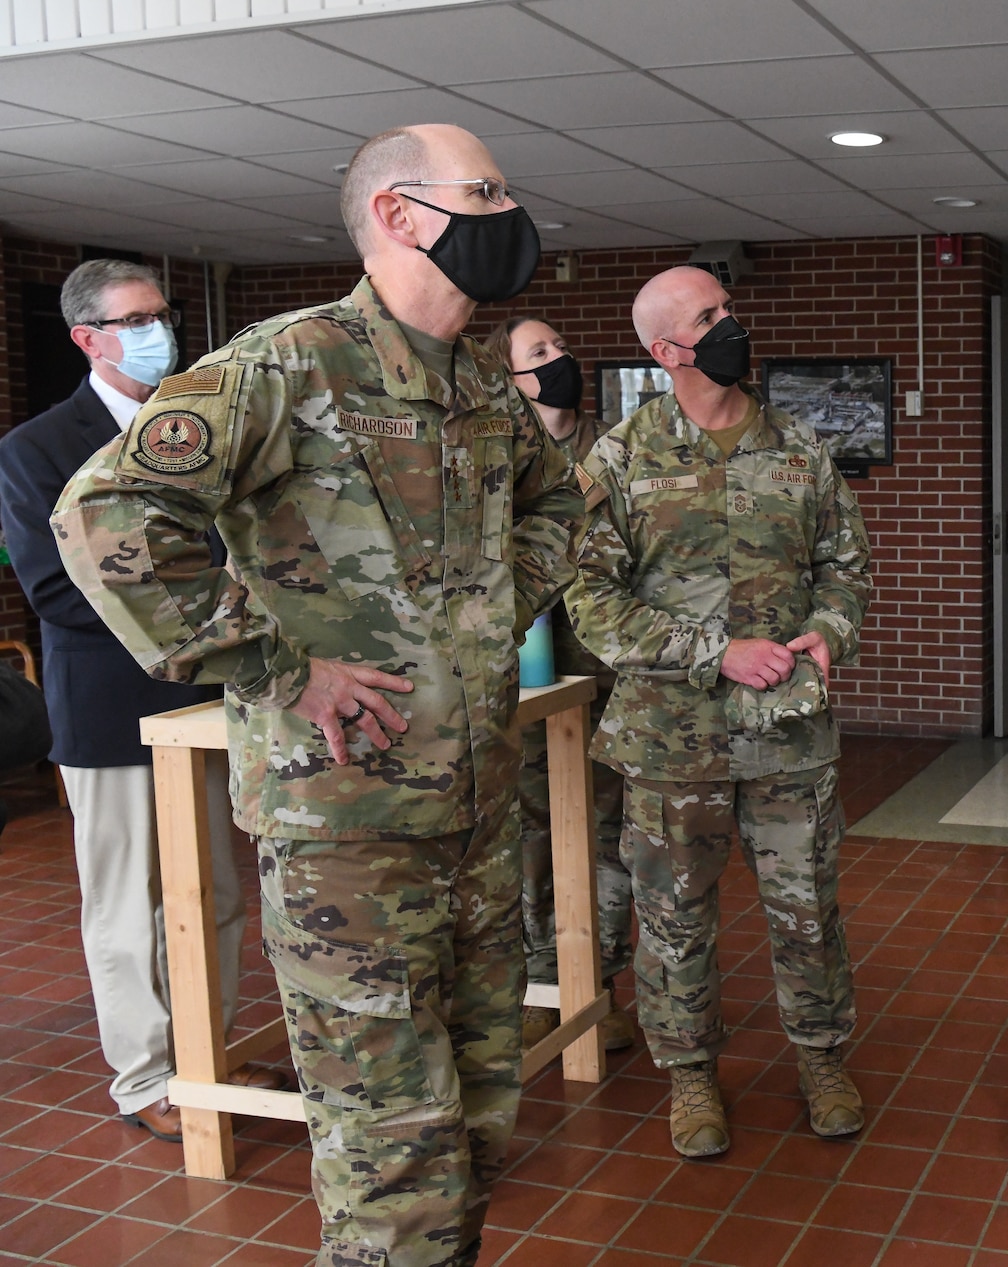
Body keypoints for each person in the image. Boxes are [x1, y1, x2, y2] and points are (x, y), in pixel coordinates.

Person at [54, 125, 584, 1267]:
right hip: (350, 828)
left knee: (481, 1122)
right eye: (485, 192)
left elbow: (559, 506)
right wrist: (278, 666)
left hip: (484, 818)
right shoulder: (286, 365)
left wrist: (489, 612)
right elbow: (106, 517)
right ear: (400, 214)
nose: (512, 215)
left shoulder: (481, 381)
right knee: (392, 1155)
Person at [567, 265, 871, 1158]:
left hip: (788, 735)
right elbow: (590, 600)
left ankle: (821, 1056)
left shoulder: (801, 450)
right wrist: (715, 651)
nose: (733, 325)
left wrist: (825, 629)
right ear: (667, 350)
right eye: (711, 317)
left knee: (807, 907)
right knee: (674, 915)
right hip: (671, 742)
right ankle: (691, 1075)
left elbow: (845, 566)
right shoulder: (619, 460)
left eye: (730, 309)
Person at [0, 259, 288, 1143]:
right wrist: (201, 616)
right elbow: (54, 587)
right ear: (87, 338)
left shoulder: (197, 428)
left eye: (160, 313)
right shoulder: (38, 448)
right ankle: (146, 1075)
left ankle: (209, 1052)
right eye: (133, 319)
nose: (156, 330)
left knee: (213, 897)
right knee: (132, 908)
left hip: (207, 701)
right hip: (110, 709)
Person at [484, 315, 637, 1052]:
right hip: (530, 676)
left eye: (562, 346)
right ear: (510, 379)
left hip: (609, 675)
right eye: (539, 354)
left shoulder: (618, 447)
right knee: (533, 832)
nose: (560, 359)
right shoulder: (495, 455)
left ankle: (599, 983)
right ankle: (542, 984)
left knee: (609, 835)